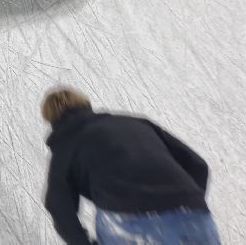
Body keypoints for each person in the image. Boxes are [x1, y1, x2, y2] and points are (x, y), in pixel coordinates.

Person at [40, 86, 218, 245]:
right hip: (194, 216)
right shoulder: (137, 123)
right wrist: (181, 200)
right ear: (85, 104)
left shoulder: (65, 147)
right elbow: (198, 165)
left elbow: (59, 207)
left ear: (51, 119)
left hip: (130, 220)